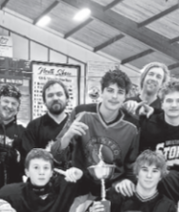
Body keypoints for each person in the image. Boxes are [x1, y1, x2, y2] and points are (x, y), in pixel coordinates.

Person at [51, 68, 139, 198]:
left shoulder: (132, 126)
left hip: (113, 189)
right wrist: (68, 135)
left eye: (120, 92)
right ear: (101, 92)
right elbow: (56, 155)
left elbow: (132, 166)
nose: (114, 96)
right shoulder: (81, 113)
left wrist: (128, 180)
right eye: (110, 90)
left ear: (125, 96)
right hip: (79, 183)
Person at [22, 78, 70, 153]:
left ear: (67, 99)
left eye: (59, 94)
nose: (55, 98)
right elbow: (29, 158)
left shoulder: (76, 125)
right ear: (44, 101)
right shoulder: (33, 127)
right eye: (50, 95)